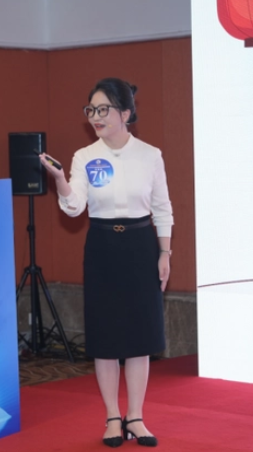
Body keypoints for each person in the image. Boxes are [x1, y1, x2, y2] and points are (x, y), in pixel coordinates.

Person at [39, 77, 173, 447]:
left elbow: (163, 208)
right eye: (91, 110)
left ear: (125, 114)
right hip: (101, 246)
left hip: (141, 244)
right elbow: (74, 207)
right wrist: (60, 179)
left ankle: (136, 417)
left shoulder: (150, 155)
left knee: (140, 336)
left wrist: (165, 253)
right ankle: (113, 417)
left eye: (103, 110)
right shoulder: (85, 156)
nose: (95, 117)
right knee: (106, 335)